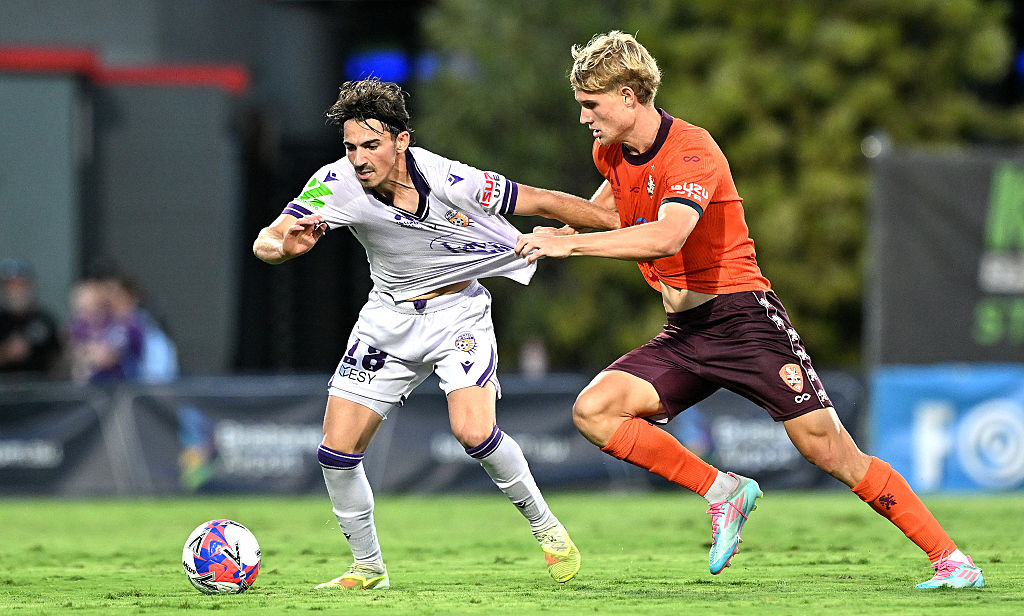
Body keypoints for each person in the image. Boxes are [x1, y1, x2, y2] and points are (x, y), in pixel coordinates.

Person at [515, 31, 983, 589]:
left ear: (629, 97)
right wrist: (554, 228)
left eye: (592, 105)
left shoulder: (693, 151)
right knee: (594, 410)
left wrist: (571, 245)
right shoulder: (611, 152)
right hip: (685, 333)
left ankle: (952, 560)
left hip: (745, 321)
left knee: (830, 451)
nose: (585, 117)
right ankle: (724, 492)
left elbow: (666, 236)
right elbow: (607, 215)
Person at [253, 78, 618, 590]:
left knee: (473, 433)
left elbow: (538, 201)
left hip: (457, 315)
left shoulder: (452, 179)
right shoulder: (334, 183)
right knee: (335, 453)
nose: (359, 158)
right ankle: (368, 568)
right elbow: (266, 241)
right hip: (387, 318)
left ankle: (547, 528)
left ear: (402, 141)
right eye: (351, 146)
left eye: (371, 145)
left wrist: (611, 219)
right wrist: (284, 248)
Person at [0, 258, 61, 379]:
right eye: (12, 286)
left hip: (40, 389)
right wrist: (7, 352)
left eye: (21, 285)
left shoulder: (44, 320)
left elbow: (57, 358)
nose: (17, 291)